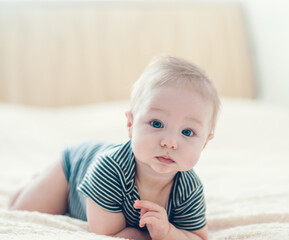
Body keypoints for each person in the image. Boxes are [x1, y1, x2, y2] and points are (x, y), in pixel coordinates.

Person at [8, 55, 221, 240]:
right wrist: (154, 235)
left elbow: (197, 237)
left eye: (187, 132)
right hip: (72, 171)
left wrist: (167, 232)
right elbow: (106, 234)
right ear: (130, 125)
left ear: (204, 143)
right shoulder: (109, 169)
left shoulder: (189, 188)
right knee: (21, 208)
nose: (170, 142)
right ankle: (34, 180)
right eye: (157, 124)